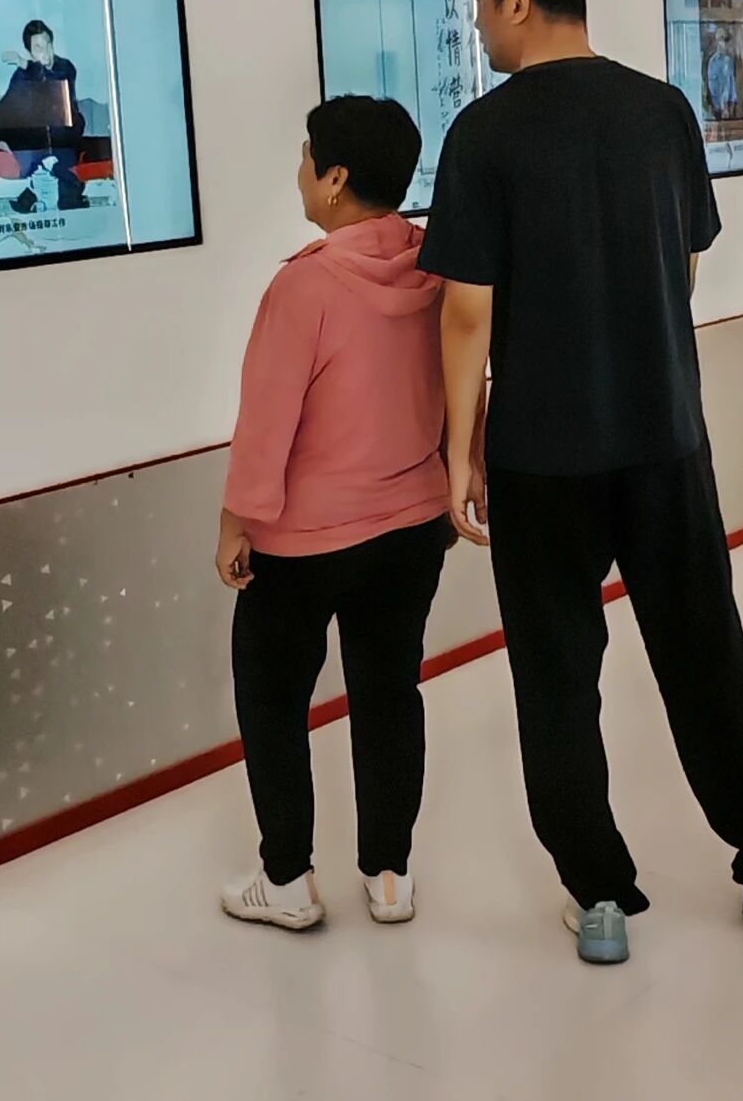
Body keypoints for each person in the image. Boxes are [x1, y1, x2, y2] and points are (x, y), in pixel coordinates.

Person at [419, 0, 743, 966]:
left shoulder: (482, 134)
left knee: (556, 672)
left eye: (481, 2)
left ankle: (599, 897)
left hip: (538, 453)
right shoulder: (662, 111)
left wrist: (457, 448)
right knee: (702, 645)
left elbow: (465, 312)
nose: (480, 23)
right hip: (662, 433)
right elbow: (682, 267)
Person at [217, 97, 451, 932]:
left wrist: (236, 522)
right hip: (413, 525)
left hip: (306, 540)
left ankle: (287, 878)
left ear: (336, 178)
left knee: (272, 697)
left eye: (305, 156)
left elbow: (266, 423)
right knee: (389, 693)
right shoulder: (434, 268)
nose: (300, 171)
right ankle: (389, 876)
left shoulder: (304, 285)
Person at [0, 20, 87, 209]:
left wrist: (26, 65)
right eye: (38, 48)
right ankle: (36, 188)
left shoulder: (65, 68)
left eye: (48, 45)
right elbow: (4, 108)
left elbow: (51, 80)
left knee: (63, 185)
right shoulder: (21, 76)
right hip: (34, 144)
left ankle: (56, 185)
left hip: (62, 139)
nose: (45, 52)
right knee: (33, 175)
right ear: (30, 52)